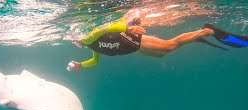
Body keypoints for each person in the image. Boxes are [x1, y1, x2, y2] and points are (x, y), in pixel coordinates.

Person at [67, 18, 248, 72]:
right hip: (133, 47)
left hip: (133, 41)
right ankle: (198, 35)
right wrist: (80, 64)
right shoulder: (91, 47)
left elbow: (109, 26)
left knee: (168, 46)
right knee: (161, 53)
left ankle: (207, 31)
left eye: (74, 40)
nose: (76, 43)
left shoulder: (88, 38)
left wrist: (129, 28)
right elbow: (95, 61)